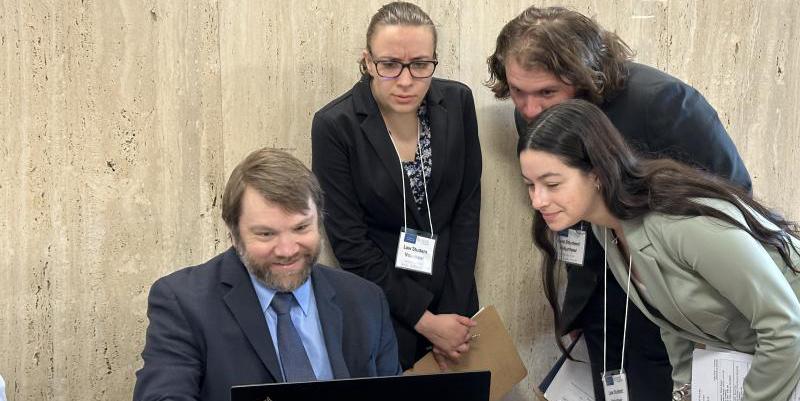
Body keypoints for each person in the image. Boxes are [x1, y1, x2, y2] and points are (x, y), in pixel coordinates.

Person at [486, 6, 752, 399]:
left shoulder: (665, 104)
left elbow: (733, 198)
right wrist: (578, 306)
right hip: (603, 302)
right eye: (518, 92)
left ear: (584, 77)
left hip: (676, 301)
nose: (528, 110)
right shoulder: (534, 113)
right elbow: (566, 211)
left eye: (546, 93)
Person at [519, 99, 800, 401]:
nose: (538, 200)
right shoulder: (605, 227)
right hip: (778, 352)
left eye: (551, 184)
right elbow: (673, 324)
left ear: (596, 174)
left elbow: (786, 325)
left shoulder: (681, 222)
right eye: (530, 186)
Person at [133, 148, 400, 401]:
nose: (286, 250)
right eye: (265, 234)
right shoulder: (184, 302)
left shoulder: (366, 300)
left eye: (301, 228)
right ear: (233, 234)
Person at [311, 2, 481, 370]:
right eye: (389, 65)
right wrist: (426, 321)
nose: (406, 80)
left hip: (455, 305)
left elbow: (467, 209)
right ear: (368, 62)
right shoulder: (336, 125)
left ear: (434, 60)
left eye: (420, 64)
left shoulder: (457, 102)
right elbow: (349, 241)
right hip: (383, 307)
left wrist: (451, 315)